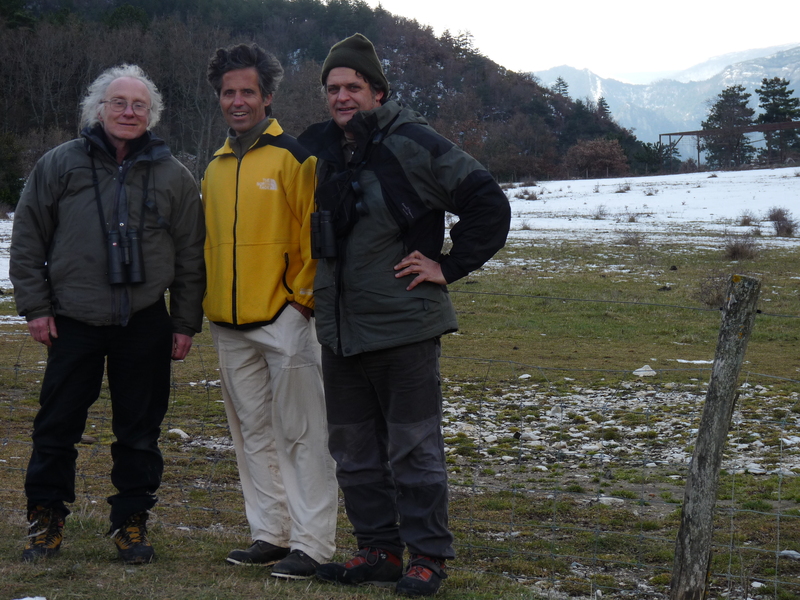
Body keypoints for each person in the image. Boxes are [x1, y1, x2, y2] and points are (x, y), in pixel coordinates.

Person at [297, 33, 511, 597]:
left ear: (378, 91)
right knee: (354, 451)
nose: (342, 96)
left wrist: (448, 264)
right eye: (333, 88)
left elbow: (488, 201)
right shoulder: (327, 150)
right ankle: (378, 551)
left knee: (413, 450)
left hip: (403, 328)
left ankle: (428, 559)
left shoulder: (411, 142)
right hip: (341, 332)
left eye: (353, 87)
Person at [10, 64, 206, 564]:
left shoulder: (174, 175)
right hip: (72, 318)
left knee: (140, 431)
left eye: (139, 105)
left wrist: (183, 322)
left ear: (151, 114)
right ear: (98, 109)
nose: (128, 111)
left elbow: (190, 255)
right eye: (118, 102)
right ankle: (46, 520)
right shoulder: (59, 164)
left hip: (144, 321)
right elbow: (29, 239)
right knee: (56, 427)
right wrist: (35, 307)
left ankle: (131, 523)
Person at [202, 43, 337, 579]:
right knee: (251, 434)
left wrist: (298, 303)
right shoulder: (213, 167)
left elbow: (314, 234)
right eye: (228, 93)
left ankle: (312, 543)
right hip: (229, 326)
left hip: (285, 321)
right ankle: (270, 534)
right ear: (220, 99)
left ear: (268, 97)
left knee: (303, 435)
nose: (238, 101)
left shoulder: (295, 157)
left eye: (247, 92)